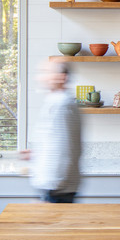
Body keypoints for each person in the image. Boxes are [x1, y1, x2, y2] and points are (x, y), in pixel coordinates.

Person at [25, 59, 81, 203]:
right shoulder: (55, 101)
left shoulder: (62, 105)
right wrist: (36, 153)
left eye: (47, 72)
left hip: (56, 189)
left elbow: (64, 148)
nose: (40, 77)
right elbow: (56, 141)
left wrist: (52, 188)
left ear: (62, 77)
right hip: (54, 187)